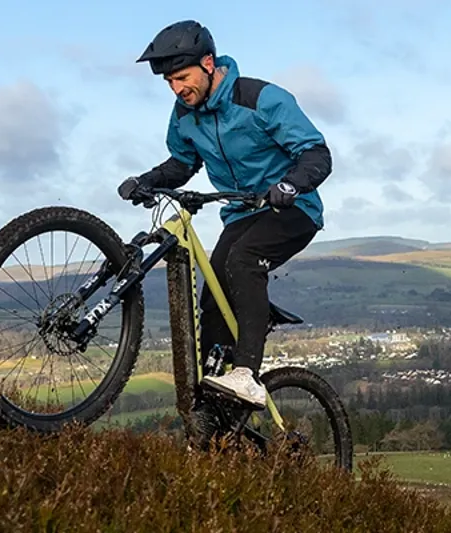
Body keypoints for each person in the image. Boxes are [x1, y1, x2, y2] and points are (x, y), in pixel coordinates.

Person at [117, 20, 332, 409]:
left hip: (293, 209)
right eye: (169, 82)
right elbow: (183, 163)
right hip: (240, 215)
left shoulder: (260, 98)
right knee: (213, 295)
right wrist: (145, 180)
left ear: (209, 63)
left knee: (243, 259)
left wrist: (288, 185)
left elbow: (317, 154)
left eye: (181, 77)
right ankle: (215, 402)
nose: (177, 89)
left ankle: (246, 373)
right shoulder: (185, 113)